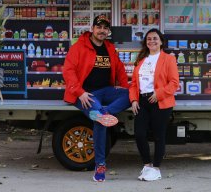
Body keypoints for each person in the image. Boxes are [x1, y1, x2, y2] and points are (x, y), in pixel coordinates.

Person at [63, 15, 130, 182]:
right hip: (86, 94)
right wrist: (80, 92)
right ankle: (100, 165)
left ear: (108, 31)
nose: (102, 31)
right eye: (99, 27)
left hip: (106, 91)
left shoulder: (109, 47)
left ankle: (104, 112)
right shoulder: (79, 47)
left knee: (132, 94)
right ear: (92, 28)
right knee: (100, 121)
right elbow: (68, 71)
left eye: (105, 28)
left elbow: (120, 69)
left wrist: (124, 87)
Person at [129, 28, 179, 182]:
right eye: (149, 39)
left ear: (161, 41)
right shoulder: (141, 60)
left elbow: (174, 83)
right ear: (146, 42)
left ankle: (156, 168)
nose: (152, 41)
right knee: (139, 134)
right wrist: (134, 100)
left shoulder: (168, 59)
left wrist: (159, 94)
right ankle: (147, 165)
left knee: (158, 136)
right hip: (142, 102)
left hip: (160, 101)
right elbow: (133, 84)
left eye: (155, 38)